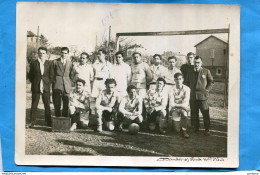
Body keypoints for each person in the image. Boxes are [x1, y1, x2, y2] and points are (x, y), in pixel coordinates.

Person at [184, 56, 214, 136]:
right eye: (195, 62)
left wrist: (207, 90)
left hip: (202, 97)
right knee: (194, 113)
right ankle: (195, 128)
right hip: (193, 96)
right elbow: (186, 83)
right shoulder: (190, 72)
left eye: (198, 62)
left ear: (201, 63)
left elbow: (211, 82)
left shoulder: (206, 71)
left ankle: (207, 129)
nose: (196, 64)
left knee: (205, 113)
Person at [27, 47, 53, 127]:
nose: (41, 54)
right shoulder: (33, 63)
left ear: (46, 54)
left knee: (47, 104)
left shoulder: (49, 63)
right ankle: (32, 122)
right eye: (40, 53)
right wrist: (35, 82)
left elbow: (51, 75)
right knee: (34, 104)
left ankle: (48, 122)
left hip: (46, 86)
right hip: (36, 86)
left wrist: (47, 83)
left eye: (43, 53)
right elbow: (30, 75)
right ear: (38, 53)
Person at [52, 47, 75, 117]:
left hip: (67, 86)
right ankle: (58, 120)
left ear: (68, 54)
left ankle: (65, 121)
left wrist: (70, 83)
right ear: (60, 53)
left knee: (66, 104)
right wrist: (54, 82)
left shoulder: (70, 63)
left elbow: (72, 75)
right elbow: (52, 74)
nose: (64, 54)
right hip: (57, 85)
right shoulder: (55, 62)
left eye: (65, 53)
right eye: (62, 53)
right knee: (57, 104)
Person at [168, 72, 190, 138]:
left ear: (183, 79)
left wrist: (181, 106)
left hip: (183, 108)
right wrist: (180, 106)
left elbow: (186, 102)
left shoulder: (187, 89)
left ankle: (184, 130)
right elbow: (171, 103)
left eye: (180, 79)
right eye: (177, 79)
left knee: (184, 113)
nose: (178, 81)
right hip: (174, 108)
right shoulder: (171, 89)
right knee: (176, 130)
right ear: (174, 80)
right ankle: (174, 123)